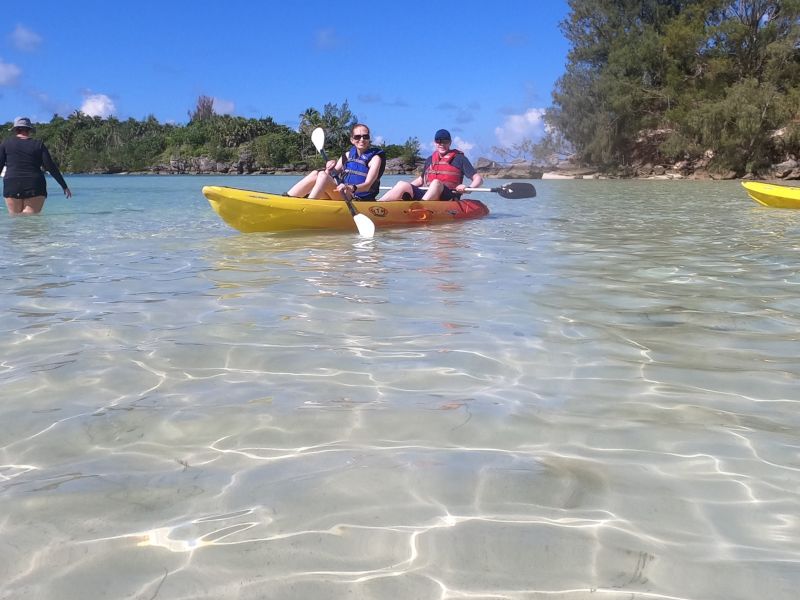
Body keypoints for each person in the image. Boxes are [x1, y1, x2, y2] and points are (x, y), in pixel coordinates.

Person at [287, 123, 385, 201]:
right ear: (352, 140)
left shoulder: (375, 159)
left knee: (322, 175)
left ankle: (308, 206)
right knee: (316, 173)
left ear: (369, 139)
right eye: (357, 137)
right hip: (341, 193)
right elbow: (329, 175)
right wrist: (329, 168)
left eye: (365, 136)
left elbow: (367, 186)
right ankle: (288, 198)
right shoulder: (347, 155)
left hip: (357, 198)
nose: (362, 139)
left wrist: (351, 188)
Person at [380, 129, 482, 201]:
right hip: (427, 194)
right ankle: (377, 205)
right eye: (439, 141)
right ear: (435, 142)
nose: (441, 144)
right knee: (402, 184)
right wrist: (403, 188)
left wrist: (468, 188)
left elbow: (478, 179)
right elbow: (421, 180)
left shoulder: (460, 159)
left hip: (448, 196)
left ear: (450, 142)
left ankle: (420, 207)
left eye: (445, 141)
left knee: (436, 183)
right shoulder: (430, 159)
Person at [1, 116, 72, 215]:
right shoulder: (38, 145)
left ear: (15, 129)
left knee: (15, 219)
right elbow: (50, 167)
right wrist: (64, 186)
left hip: (12, 184)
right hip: (34, 184)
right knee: (30, 219)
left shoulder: (6, 144)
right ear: (29, 130)